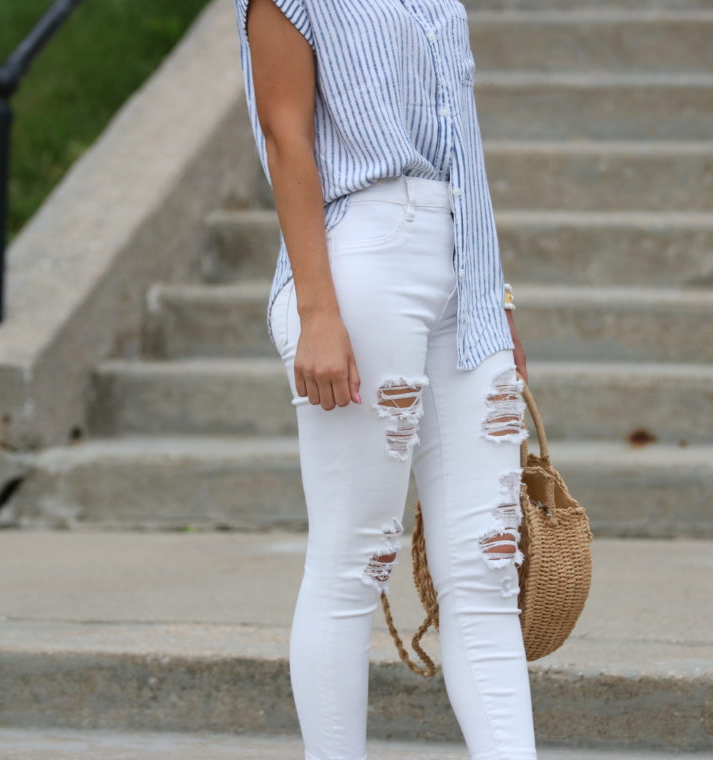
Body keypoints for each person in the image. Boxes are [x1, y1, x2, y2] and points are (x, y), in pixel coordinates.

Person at [233, 0, 536, 757]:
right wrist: (317, 312)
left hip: (459, 269)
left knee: (488, 566)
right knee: (354, 558)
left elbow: (463, 143)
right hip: (361, 257)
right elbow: (285, 136)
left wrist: (494, 302)